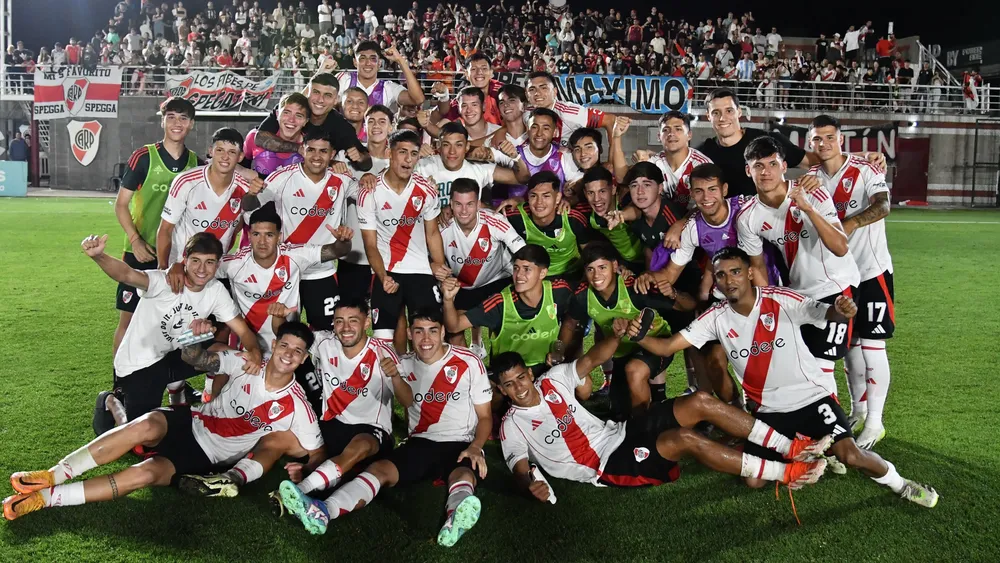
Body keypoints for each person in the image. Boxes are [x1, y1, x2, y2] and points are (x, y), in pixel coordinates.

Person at [626, 247, 938, 507]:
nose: (728, 280)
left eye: (735, 271)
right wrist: (638, 335)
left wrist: (842, 310)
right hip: (768, 412)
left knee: (850, 454)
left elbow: (824, 312)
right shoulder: (715, 318)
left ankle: (901, 484)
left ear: (749, 273)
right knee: (752, 480)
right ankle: (805, 450)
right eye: (720, 275)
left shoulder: (779, 298)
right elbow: (668, 345)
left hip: (812, 399)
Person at [4, 322, 325, 521]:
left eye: (297, 351)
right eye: (284, 345)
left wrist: (303, 470)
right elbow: (197, 359)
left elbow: (317, 450)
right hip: (191, 420)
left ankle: (44, 499)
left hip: (208, 457)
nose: (288, 354)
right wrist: (191, 338)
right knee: (145, 424)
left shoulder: (298, 405)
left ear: (304, 358)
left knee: (143, 475)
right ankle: (52, 475)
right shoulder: (246, 362)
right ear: (276, 345)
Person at [494, 335, 829, 499]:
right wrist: (531, 485)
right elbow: (519, 465)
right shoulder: (512, 424)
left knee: (698, 400)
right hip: (608, 465)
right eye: (509, 385)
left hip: (622, 431)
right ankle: (786, 472)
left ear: (528, 372)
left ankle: (791, 447)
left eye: (520, 377)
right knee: (683, 439)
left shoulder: (551, 381)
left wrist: (618, 334)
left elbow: (595, 357)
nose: (519, 387)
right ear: (503, 389)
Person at [277, 309, 492, 548]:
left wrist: (475, 447)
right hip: (420, 441)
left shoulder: (469, 361)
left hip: (461, 441)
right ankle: (323, 510)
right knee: (379, 470)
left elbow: (485, 416)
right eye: (419, 332)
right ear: (410, 334)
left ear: (442, 332)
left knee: (463, 474)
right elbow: (404, 400)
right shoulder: (403, 364)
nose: (426, 339)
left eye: (432, 331)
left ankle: (455, 517)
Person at [87, 233, 261, 433]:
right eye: (196, 261)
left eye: (209, 262)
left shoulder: (215, 290)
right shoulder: (164, 282)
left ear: (217, 264)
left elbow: (242, 330)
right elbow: (126, 274)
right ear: (185, 260)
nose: (202, 269)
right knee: (140, 435)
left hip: (173, 357)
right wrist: (99, 256)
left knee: (234, 357)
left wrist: (254, 351)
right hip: (139, 364)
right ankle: (109, 400)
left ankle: (215, 409)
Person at [736, 136, 861, 374]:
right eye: (758, 166)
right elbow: (758, 265)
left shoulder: (812, 193)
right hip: (798, 296)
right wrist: (767, 306)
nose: (766, 172)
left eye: (772, 164)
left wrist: (808, 209)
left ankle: (864, 412)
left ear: (784, 166)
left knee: (821, 366)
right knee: (799, 366)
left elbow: (840, 247)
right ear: (748, 170)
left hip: (835, 287)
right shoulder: (748, 216)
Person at [807, 115, 893, 449]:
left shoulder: (865, 169)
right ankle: (858, 410)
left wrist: (851, 223)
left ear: (841, 139)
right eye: (817, 139)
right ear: (810, 143)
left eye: (829, 137)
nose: (824, 144)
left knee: (873, 345)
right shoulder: (811, 179)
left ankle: (875, 422)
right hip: (838, 278)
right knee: (850, 347)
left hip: (871, 270)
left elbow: (883, 205)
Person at [113, 97, 200, 357]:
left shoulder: (195, 163)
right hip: (141, 253)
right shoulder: (144, 157)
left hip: (176, 258)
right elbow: (121, 205)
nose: (177, 123)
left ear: (191, 124)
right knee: (128, 321)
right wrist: (136, 240)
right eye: (171, 116)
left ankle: (175, 388)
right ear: (162, 120)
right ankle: (120, 387)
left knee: (174, 322)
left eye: (183, 118)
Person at [565, 242, 694, 416]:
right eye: (590, 269)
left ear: (615, 266)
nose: (596, 275)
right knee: (620, 413)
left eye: (602, 267)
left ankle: (645, 429)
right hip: (622, 353)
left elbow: (688, 305)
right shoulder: (582, 295)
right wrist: (561, 351)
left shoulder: (634, 287)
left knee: (634, 370)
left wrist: (673, 293)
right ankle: (657, 407)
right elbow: (570, 324)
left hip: (655, 345)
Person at [242, 129, 353, 332]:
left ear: (332, 154)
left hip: (322, 272)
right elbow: (250, 208)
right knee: (284, 332)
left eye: (323, 151)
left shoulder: (343, 181)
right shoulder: (281, 178)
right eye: (311, 150)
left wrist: (369, 176)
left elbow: (370, 191)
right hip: (286, 271)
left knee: (326, 332)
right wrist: (250, 195)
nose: (317, 157)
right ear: (302, 150)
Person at [695, 88, 885, 199]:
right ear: (708, 117)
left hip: (770, 225)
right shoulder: (704, 153)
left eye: (729, 111)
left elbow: (816, 160)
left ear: (739, 113)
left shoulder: (767, 140)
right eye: (716, 113)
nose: (722, 118)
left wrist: (864, 156)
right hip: (729, 230)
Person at [357, 130, 446, 350]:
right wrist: (382, 276)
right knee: (384, 342)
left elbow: (432, 233)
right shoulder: (370, 191)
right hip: (386, 269)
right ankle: (392, 381)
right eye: (402, 152)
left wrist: (439, 267)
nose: (408, 159)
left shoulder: (426, 190)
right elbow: (370, 244)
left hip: (420, 271)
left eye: (414, 153)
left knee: (429, 337)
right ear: (389, 153)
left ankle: (428, 383)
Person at [443, 244, 574, 377]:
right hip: (509, 374)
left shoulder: (559, 291)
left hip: (547, 367)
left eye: (527, 269)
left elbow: (571, 321)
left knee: (584, 388)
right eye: (516, 268)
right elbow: (454, 326)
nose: (518, 275)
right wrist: (448, 299)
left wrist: (560, 350)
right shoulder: (499, 303)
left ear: (542, 273)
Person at [437, 179, 526, 353]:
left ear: (478, 204)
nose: (464, 211)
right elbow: (424, 256)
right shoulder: (441, 227)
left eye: (470, 204)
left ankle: (498, 367)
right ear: (451, 204)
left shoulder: (494, 221)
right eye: (458, 204)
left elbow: (523, 252)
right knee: (454, 334)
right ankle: (468, 374)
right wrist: (435, 267)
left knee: (505, 329)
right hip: (462, 285)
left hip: (497, 281)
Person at [155, 127, 251, 270]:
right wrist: (163, 268)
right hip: (181, 268)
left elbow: (236, 229)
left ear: (240, 157)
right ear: (211, 151)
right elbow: (165, 229)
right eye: (220, 150)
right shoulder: (186, 181)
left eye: (232, 152)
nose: (225, 157)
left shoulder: (244, 190)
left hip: (215, 271)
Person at [254, 73, 372, 173]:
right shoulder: (291, 109)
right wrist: (299, 149)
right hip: (270, 173)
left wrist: (360, 158)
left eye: (327, 95)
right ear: (308, 93)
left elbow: (366, 163)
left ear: (336, 100)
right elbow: (259, 138)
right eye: (316, 92)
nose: (320, 100)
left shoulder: (341, 126)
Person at [339, 105, 394, 304]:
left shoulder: (399, 161)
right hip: (353, 252)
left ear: (391, 127)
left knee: (387, 316)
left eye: (382, 121)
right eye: (371, 121)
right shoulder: (347, 157)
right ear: (365, 125)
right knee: (349, 313)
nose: (376, 126)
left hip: (387, 254)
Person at [414, 121, 529, 211]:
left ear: (467, 147)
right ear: (438, 146)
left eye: (458, 145)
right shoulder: (423, 165)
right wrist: (413, 156)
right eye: (446, 145)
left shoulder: (478, 169)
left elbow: (522, 179)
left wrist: (515, 157)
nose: (452, 151)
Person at [503, 171, 592, 283]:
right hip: (534, 277)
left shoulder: (574, 219)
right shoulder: (514, 216)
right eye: (533, 196)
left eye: (546, 196)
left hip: (572, 273)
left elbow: (590, 254)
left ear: (558, 197)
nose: (539, 202)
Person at [634, 111, 713, 208]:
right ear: (659, 136)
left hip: (695, 218)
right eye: (666, 130)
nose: (671, 134)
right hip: (664, 218)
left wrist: (680, 223)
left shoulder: (702, 165)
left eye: (678, 129)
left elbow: (709, 205)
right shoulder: (654, 163)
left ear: (689, 135)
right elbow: (623, 180)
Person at [577, 166, 644, 275]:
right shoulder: (590, 217)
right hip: (626, 263)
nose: (597, 199)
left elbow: (639, 211)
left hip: (652, 258)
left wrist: (621, 215)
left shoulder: (625, 200)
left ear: (613, 189)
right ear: (585, 194)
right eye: (591, 193)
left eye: (602, 191)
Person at [336, 42, 425, 113]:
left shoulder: (387, 88)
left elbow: (418, 99)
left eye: (373, 59)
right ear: (355, 62)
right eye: (362, 58)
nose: (368, 63)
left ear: (379, 63)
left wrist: (400, 60)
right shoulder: (344, 79)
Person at [432, 52, 505, 126]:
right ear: (466, 74)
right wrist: (444, 97)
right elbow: (438, 124)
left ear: (491, 73)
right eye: (473, 69)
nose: (479, 72)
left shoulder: (502, 92)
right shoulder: (464, 97)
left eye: (484, 68)